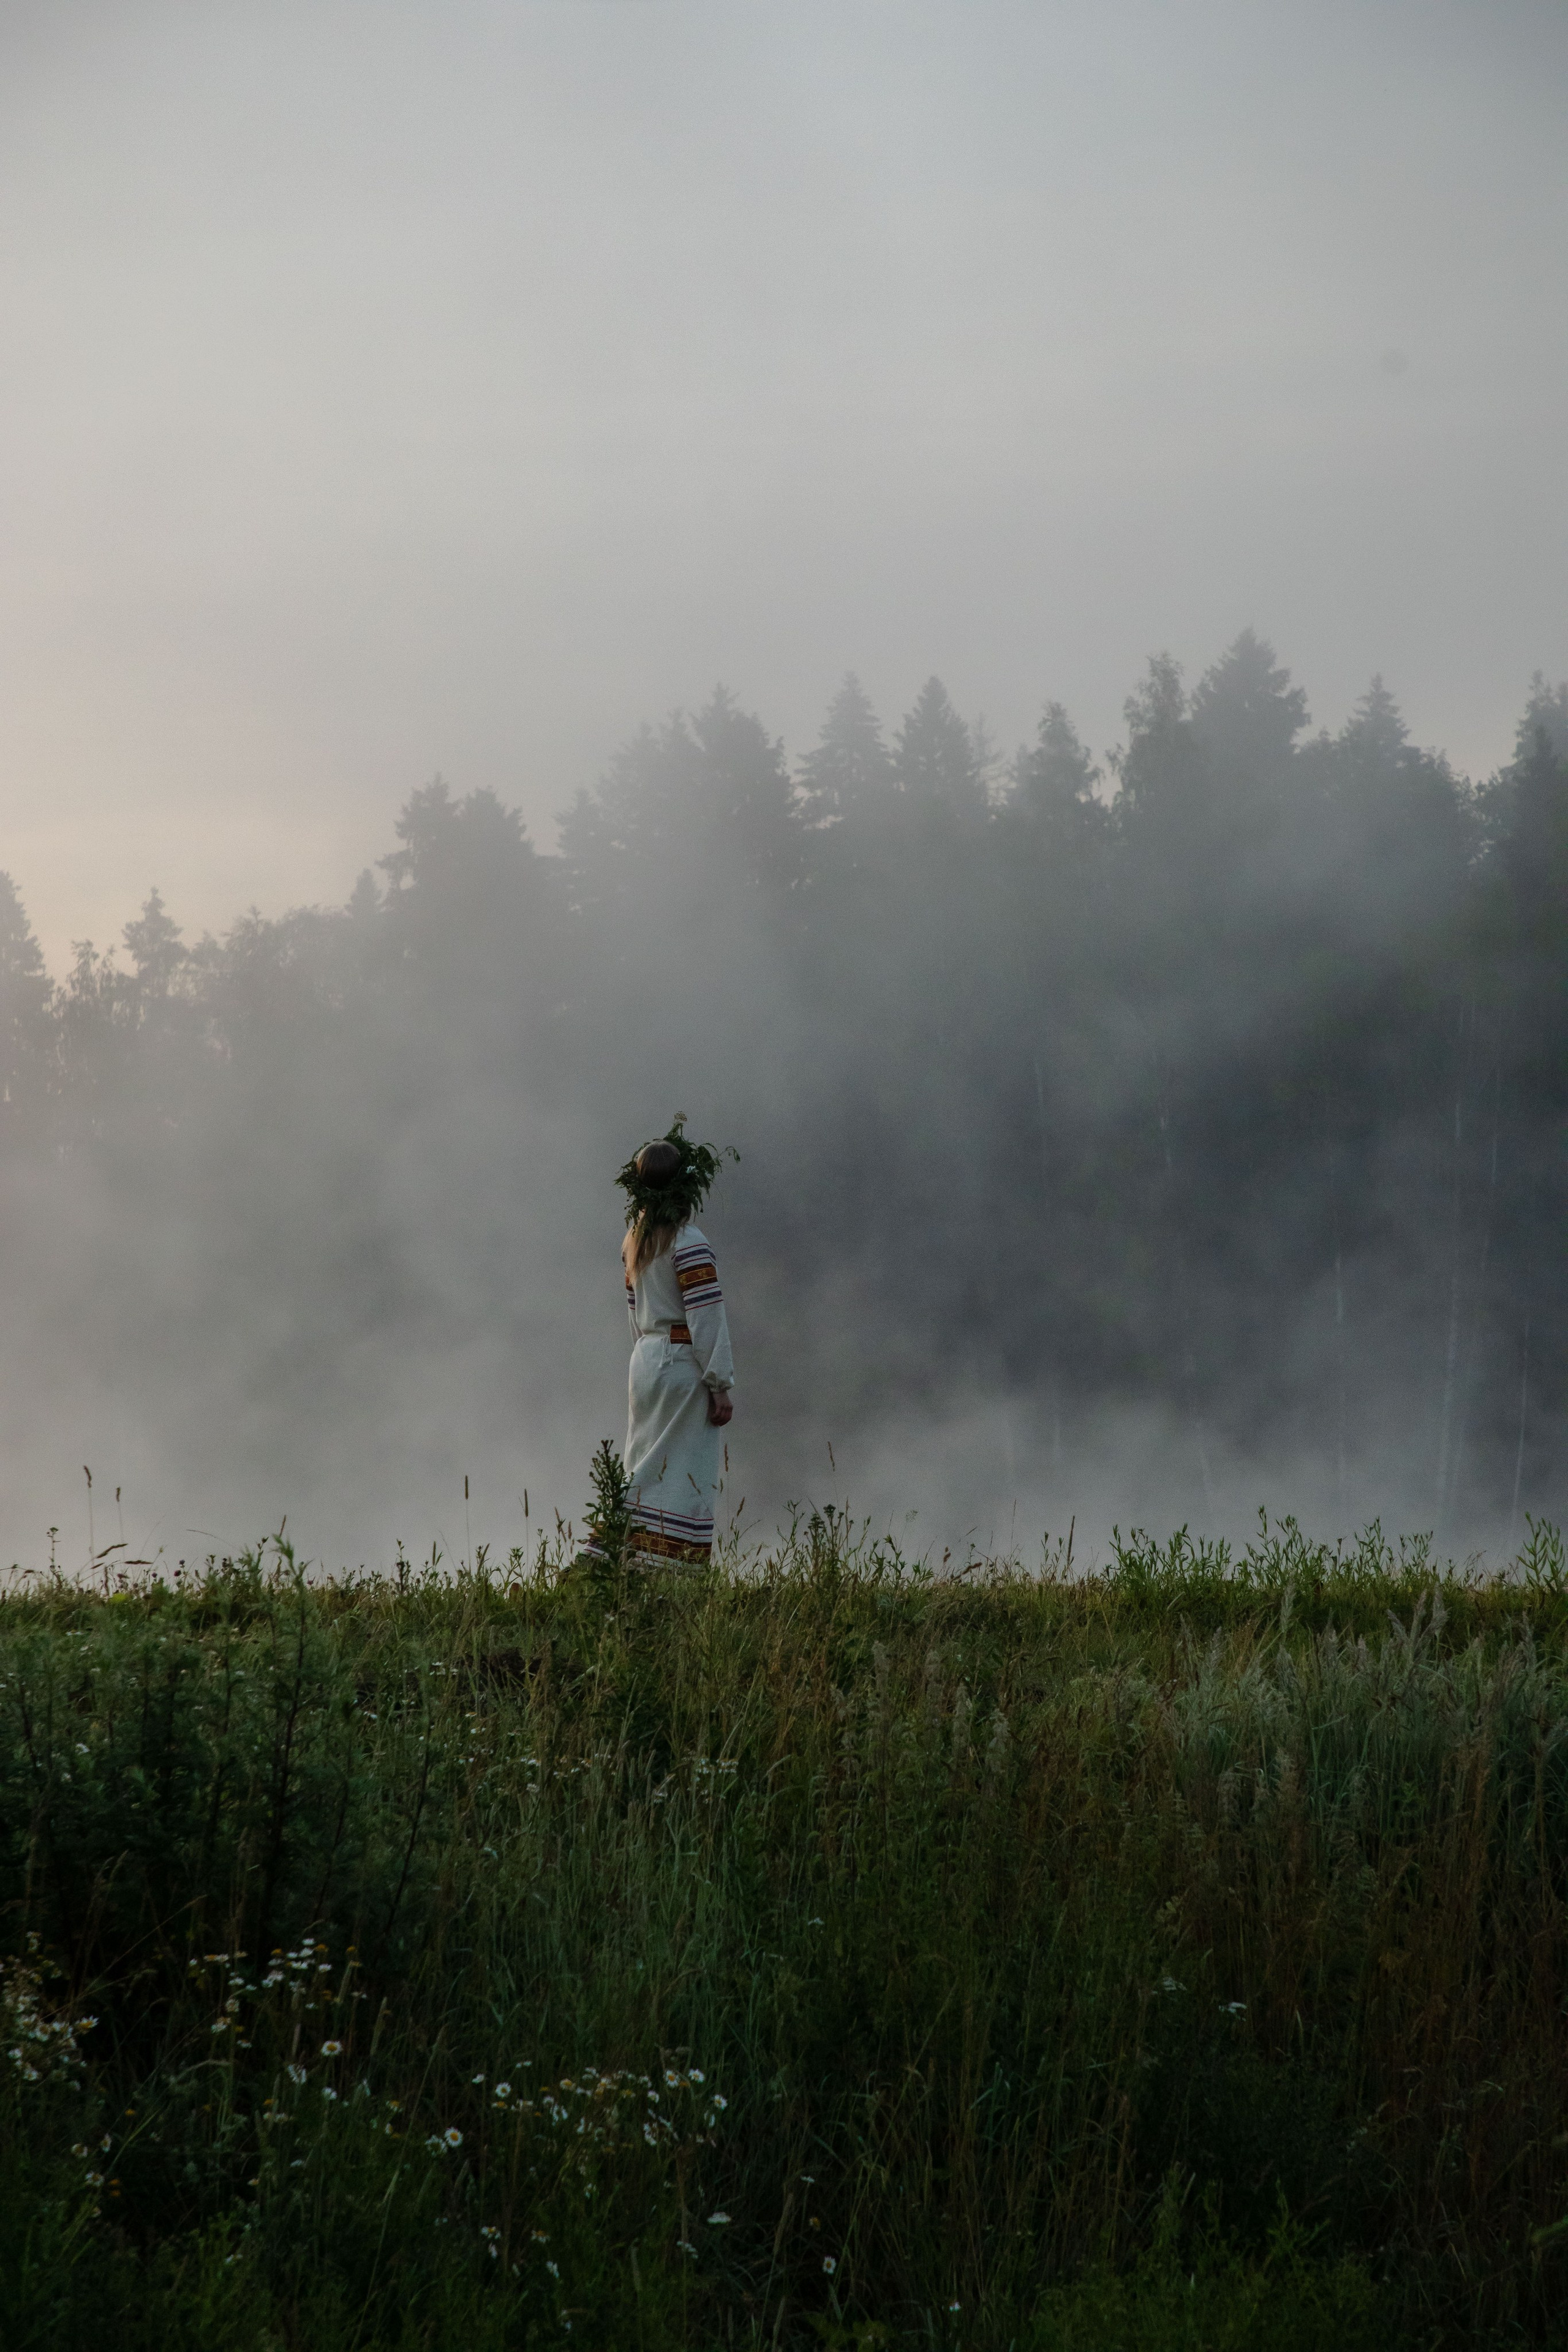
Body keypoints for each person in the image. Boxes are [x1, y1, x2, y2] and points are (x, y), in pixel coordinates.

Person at [616, 1124, 736, 1568]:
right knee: (683, 1466)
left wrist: (647, 1357)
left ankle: (627, 1554)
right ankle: (666, 1565)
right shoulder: (689, 1243)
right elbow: (706, 1316)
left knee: (645, 1458)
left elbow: (633, 1311)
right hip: (681, 1360)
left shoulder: (634, 1241)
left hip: (644, 1359)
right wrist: (719, 1383)